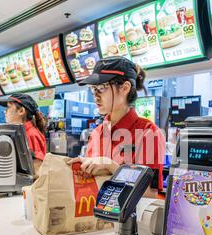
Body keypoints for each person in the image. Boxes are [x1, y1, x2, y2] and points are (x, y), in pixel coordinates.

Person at [68, 57, 165, 197]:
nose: (95, 96)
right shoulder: (96, 133)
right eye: (93, 89)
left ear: (125, 88)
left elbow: (150, 193)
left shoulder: (148, 133)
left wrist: (111, 166)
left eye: (101, 88)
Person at [0, 93, 47, 174]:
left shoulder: (31, 134)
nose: (5, 111)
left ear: (21, 111)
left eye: (8, 107)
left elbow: (37, 168)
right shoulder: (19, 133)